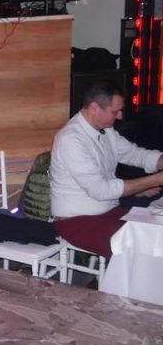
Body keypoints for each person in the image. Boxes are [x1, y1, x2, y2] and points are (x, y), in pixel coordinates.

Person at [51, 79, 163, 259]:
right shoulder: (71, 140)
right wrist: (154, 180)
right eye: (115, 111)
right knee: (141, 246)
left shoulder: (105, 130)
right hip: (77, 221)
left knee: (155, 230)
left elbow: (133, 154)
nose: (120, 116)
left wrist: (160, 161)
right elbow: (101, 190)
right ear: (94, 108)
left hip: (109, 211)